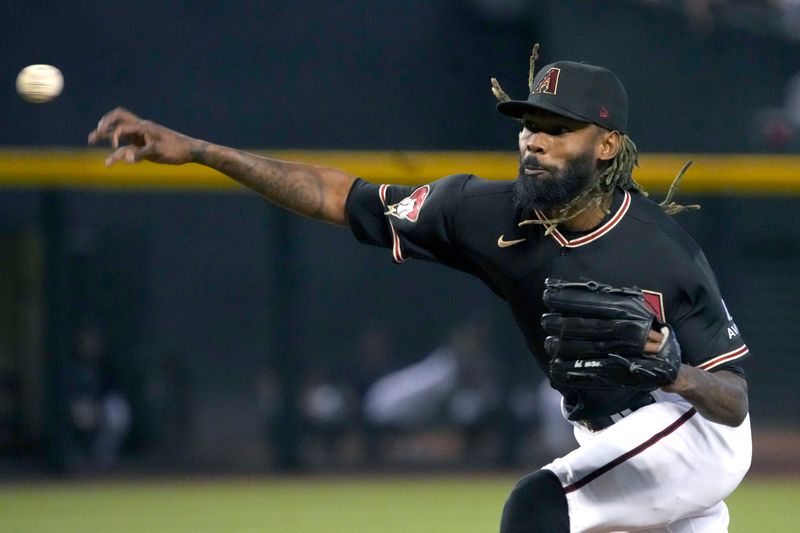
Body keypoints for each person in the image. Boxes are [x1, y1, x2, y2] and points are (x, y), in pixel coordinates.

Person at [88, 44, 751, 532]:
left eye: (557, 128)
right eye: (529, 124)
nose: (534, 141)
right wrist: (205, 151)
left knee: (538, 506)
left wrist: (673, 370)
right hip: (608, 437)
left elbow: (733, 400)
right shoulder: (482, 212)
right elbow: (335, 193)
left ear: (606, 145)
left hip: (691, 429)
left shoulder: (663, 252)